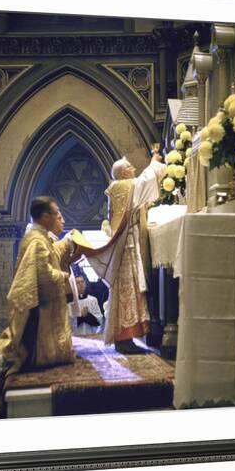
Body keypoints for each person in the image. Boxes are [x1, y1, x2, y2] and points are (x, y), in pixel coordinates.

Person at [81, 151, 167, 354]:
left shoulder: (121, 187)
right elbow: (145, 181)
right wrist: (154, 162)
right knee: (127, 289)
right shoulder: (122, 186)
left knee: (131, 288)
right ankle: (123, 338)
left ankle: (127, 337)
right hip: (126, 246)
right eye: (130, 167)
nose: (134, 169)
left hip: (129, 243)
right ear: (121, 173)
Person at [0, 196, 76, 377]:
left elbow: (50, 255)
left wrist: (66, 243)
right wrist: (64, 275)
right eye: (57, 213)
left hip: (41, 304)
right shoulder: (37, 240)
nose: (61, 217)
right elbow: (44, 276)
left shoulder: (38, 237)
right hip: (42, 308)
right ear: (45, 217)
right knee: (36, 347)